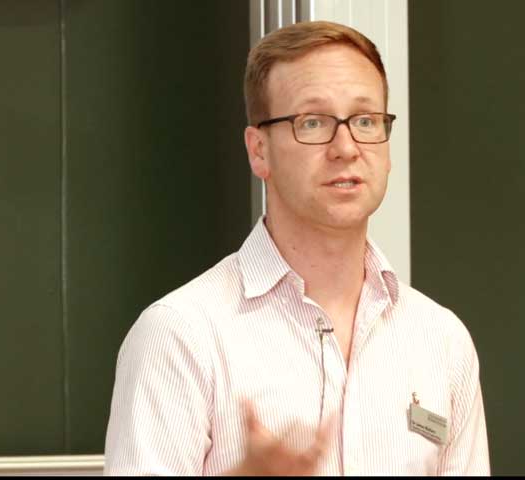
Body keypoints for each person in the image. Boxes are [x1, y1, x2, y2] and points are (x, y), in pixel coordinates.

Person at [103, 20, 490, 476]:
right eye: (313, 122)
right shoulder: (181, 335)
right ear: (258, 151)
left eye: (365, 121)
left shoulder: (441, 340)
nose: (346, 147)